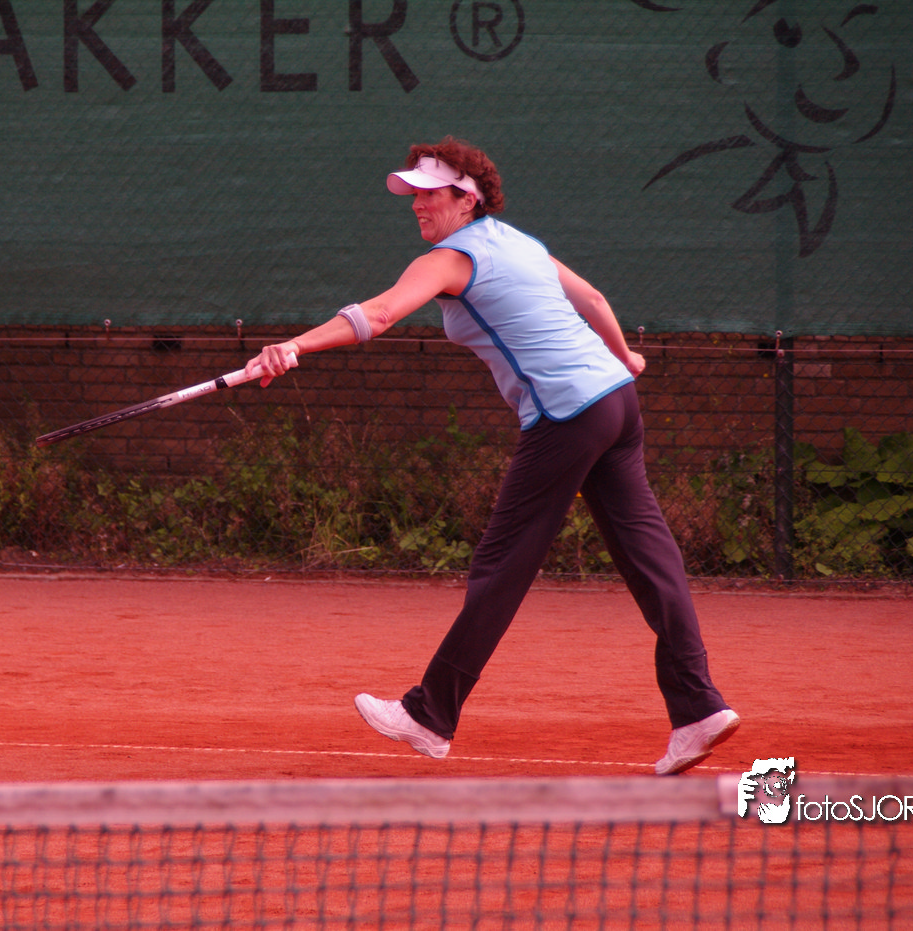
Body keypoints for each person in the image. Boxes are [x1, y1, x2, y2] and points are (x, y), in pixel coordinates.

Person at [245, 137, 739, 775]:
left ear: (466, 198)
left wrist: (294, 347)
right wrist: (626, 360)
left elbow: (381, 313)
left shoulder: (452, 258)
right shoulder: (520, 243)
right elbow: (593, 301)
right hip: (616, 402)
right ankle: (698, 707)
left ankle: (430, 714)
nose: (417, 205)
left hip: (567, 415)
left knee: (502, 567)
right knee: (651, 559)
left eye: (430, 194)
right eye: (413, 195)